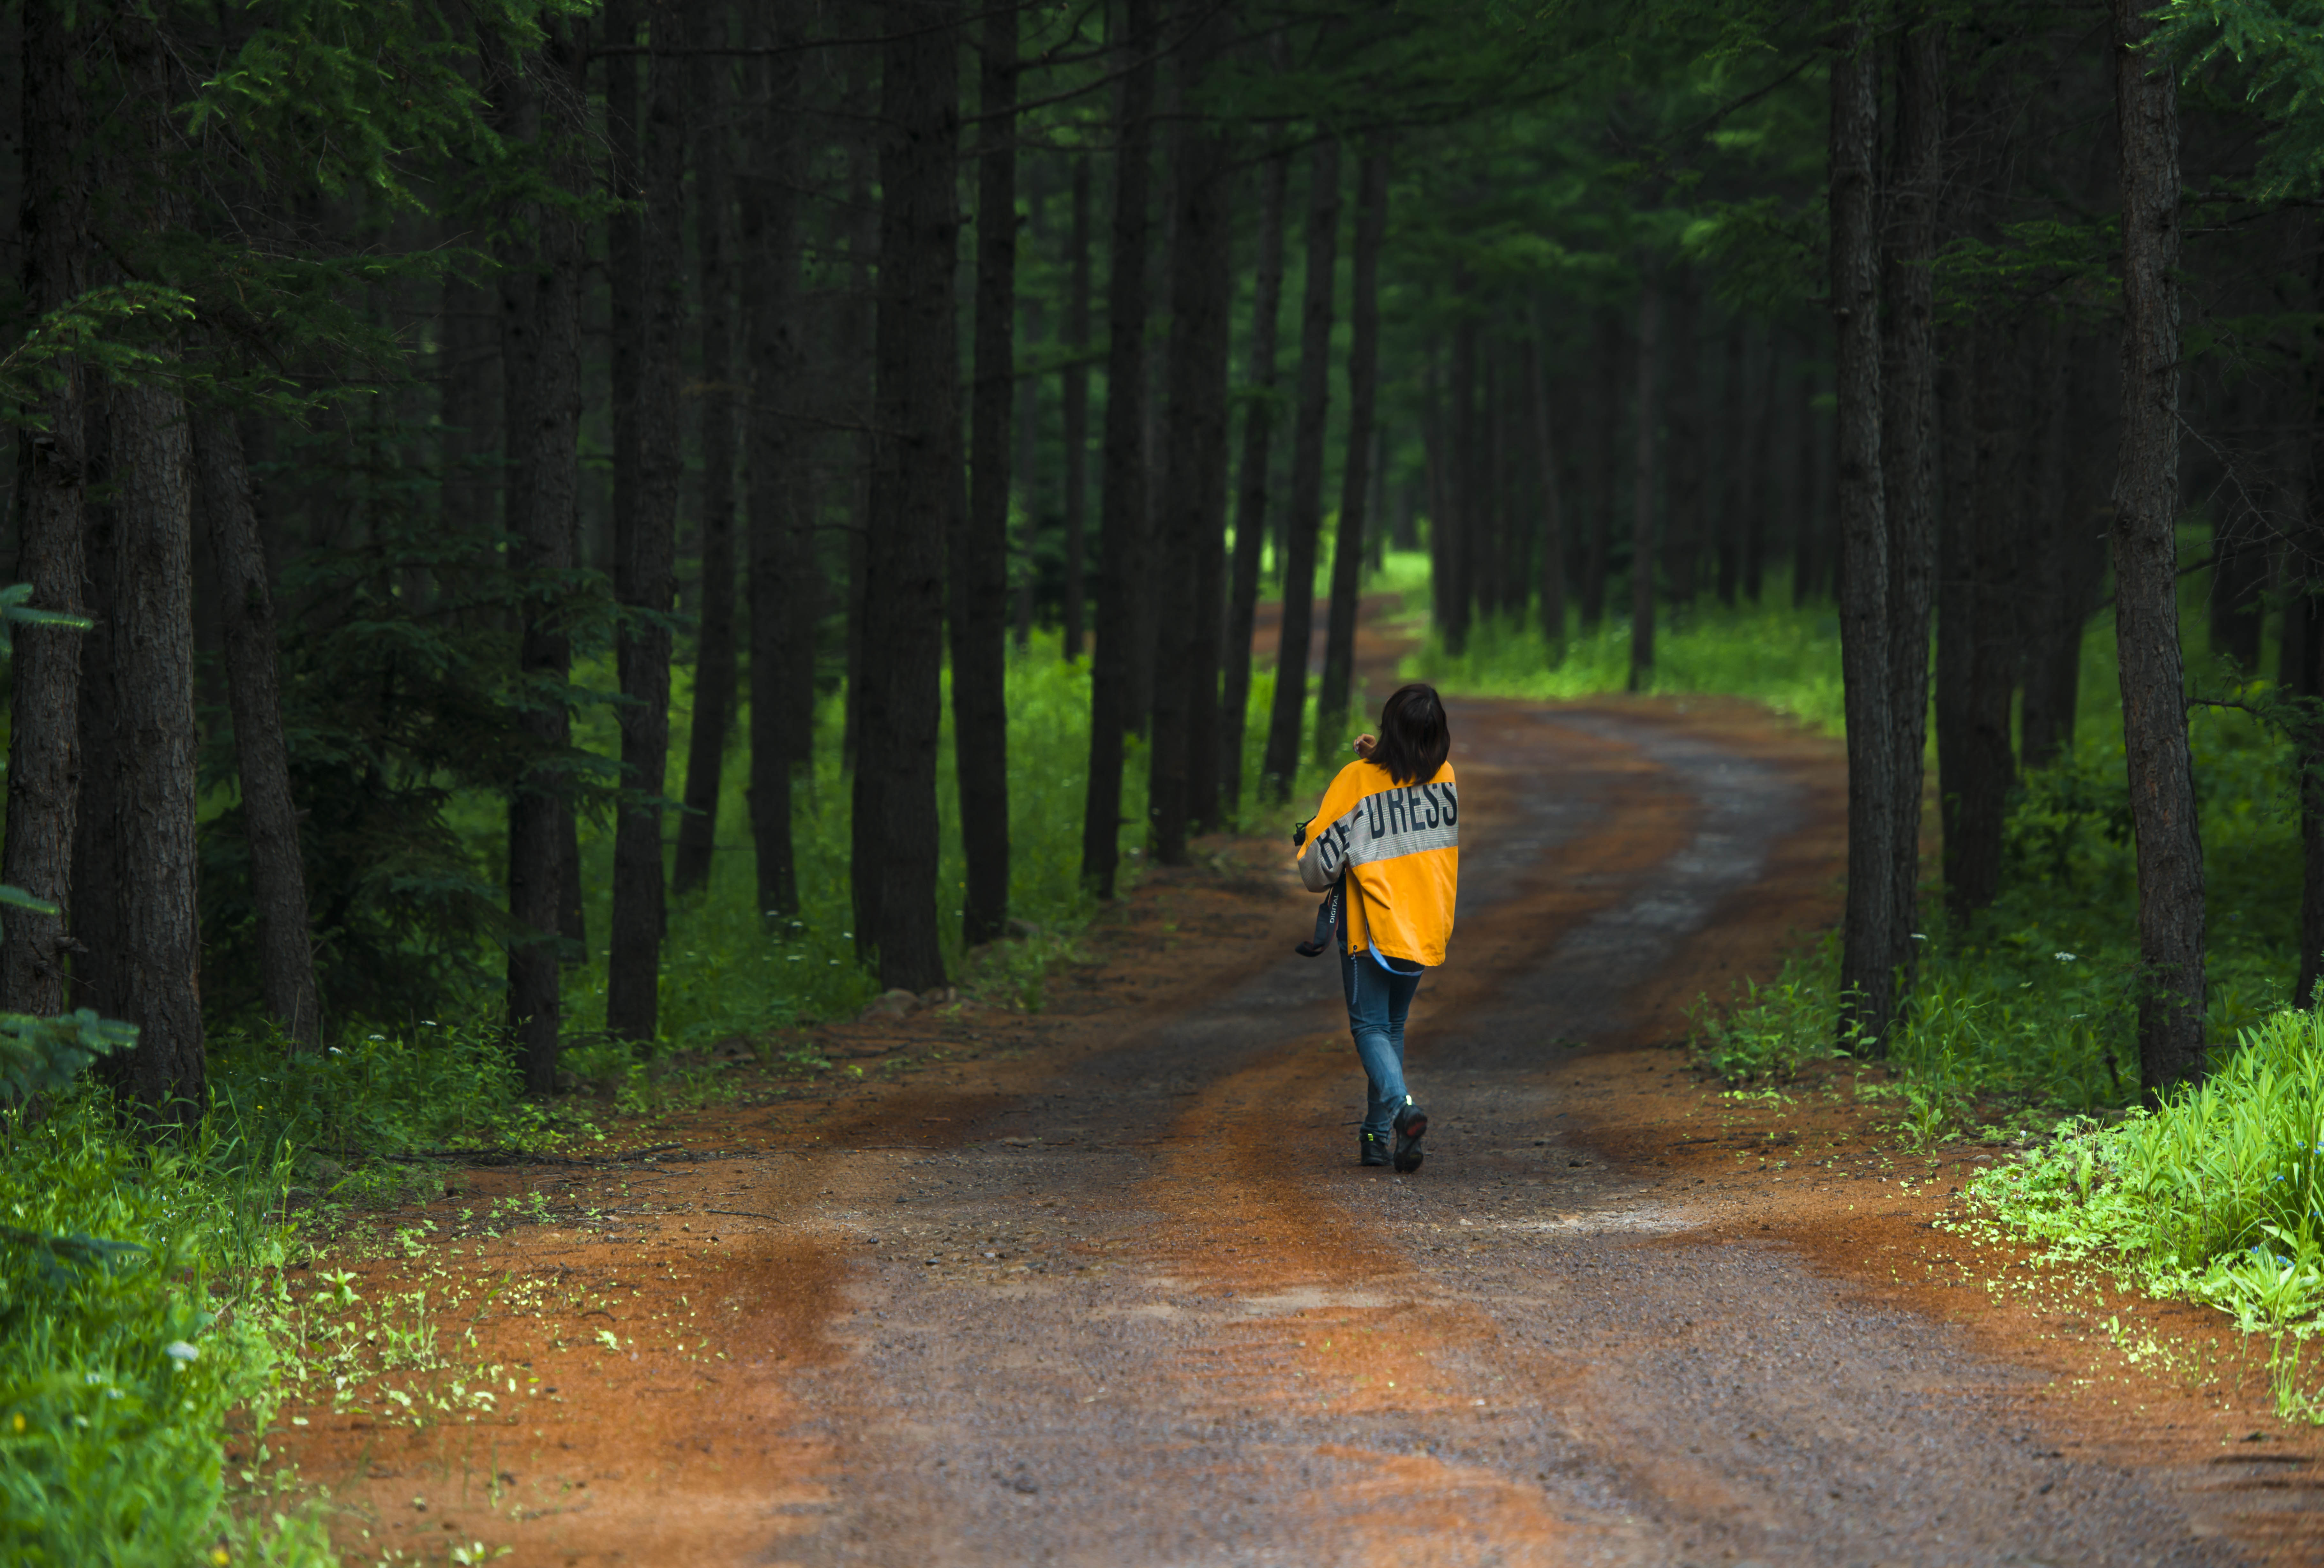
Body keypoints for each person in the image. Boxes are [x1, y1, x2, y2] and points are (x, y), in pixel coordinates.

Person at [1293, 682, 1458, 1172]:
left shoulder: (1355, 780)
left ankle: (1403, 1111)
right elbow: (1400, 794)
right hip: (1423, 922)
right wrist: (1379, 759)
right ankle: (1377, 1136)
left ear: (1389, 727)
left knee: (1369, 1026)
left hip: (1371, 927)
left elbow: (1316, 870)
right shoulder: (1445, 777)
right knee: (1392, 1026)